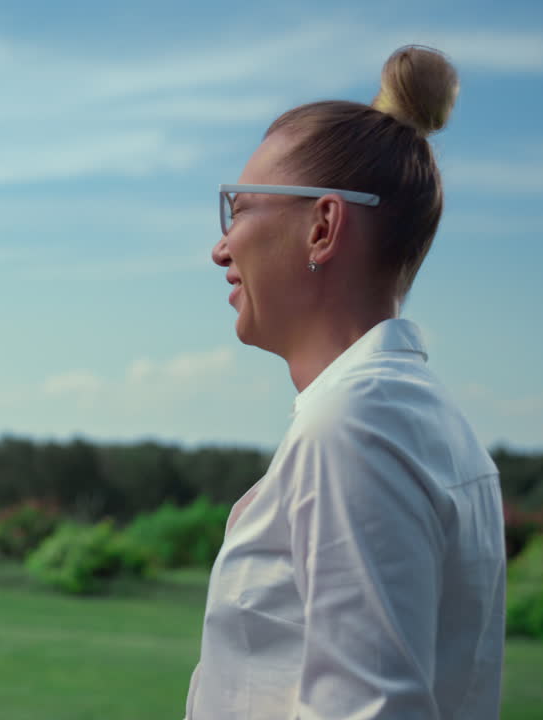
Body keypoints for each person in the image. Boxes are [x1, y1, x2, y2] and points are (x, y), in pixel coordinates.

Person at [185, 46, 505, 719]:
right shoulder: (413, 417)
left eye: (240, 210)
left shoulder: (356, 425)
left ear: (323, 227)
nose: (220, 247)